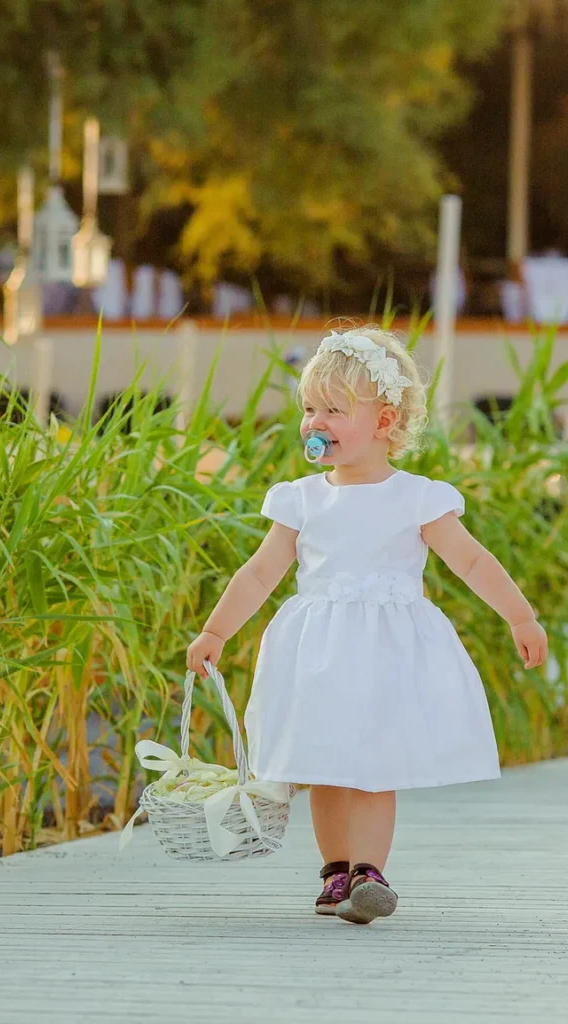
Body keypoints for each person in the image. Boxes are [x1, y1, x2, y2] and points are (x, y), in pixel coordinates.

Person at [185, 323, 548, 925]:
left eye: (333, 408)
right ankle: (335, 871)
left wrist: (520, 615)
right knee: (324, 764)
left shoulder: (417, 497)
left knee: (376, 764)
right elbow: (258, 574)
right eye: (308, 408)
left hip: (385, 654)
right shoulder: (301, 498)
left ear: (384, 422)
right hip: (318, 653)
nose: (314, 421)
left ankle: (370, 873)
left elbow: (472, 561)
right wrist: (215, 631)